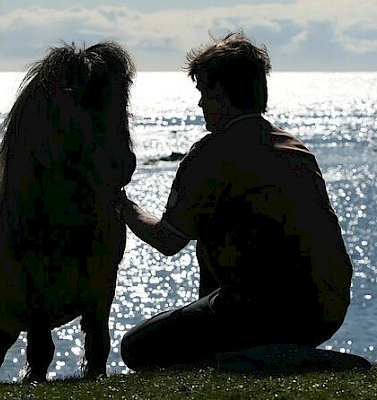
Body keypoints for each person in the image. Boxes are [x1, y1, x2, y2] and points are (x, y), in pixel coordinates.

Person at [115, 31, 353, 370]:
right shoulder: (295, 150)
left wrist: (124, 206)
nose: (200, 104)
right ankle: (269, 351)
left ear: (221, 94)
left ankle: (258, 355)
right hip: (326, 309)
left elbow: (167, 239)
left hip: (262, 312)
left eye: (204, 93)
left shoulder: (213, 154)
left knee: (137, 347)